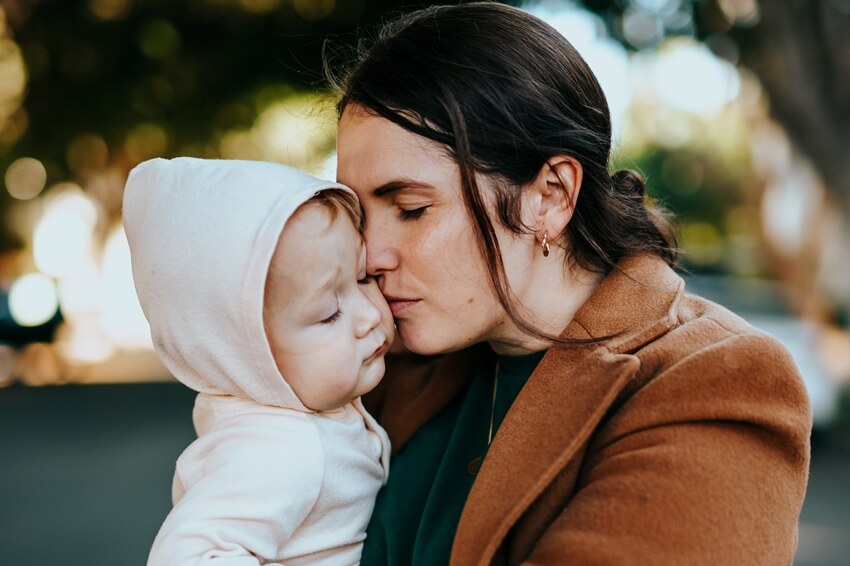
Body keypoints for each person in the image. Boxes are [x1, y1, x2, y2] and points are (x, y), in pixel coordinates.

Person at [329, 3, 812, 565]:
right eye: (359, 216)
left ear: (550, 197)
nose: (368, 255)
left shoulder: (715, 382)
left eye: (411, 208)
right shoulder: (384, 358)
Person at [122, 157, 394, 565]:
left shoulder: (313, 417)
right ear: (250, 354)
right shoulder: (280, 448)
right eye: (329, 312)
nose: (371, 314)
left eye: (362, 278)